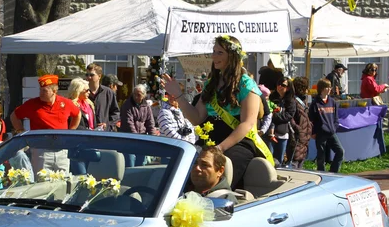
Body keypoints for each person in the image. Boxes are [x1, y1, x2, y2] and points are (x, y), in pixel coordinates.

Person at [163, 35, 273, 190]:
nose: (214, 56)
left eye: (219, 52)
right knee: (185, 167)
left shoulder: (246, 84)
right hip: (211, 138)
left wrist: (220, 148)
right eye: (213, 51)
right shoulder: (211, 84)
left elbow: (247, 123)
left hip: (237, 141)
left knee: (220, 172)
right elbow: (196, 118)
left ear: (233, 56)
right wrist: (179, 96)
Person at [309, 78, 344, 173]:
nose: (329, 89)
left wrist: (334, 127)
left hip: (331, 132)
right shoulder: (315, 103)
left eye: (330, 87)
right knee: (321, 156)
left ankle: (333, 172)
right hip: (320, 133)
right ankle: (322, 173)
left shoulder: (332, 102)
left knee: (340, 151)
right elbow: (311, 119)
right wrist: (313, 132)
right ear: (321, 89)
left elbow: (336, 118)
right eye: (327, 87)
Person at [120, 84, 158, 167]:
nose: (136, 97)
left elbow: (150, 123)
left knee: (141, 164)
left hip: (141, 139)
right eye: (134, 94)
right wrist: (137, 138)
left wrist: (153, 138)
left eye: (139, 95)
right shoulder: (127, 105)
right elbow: (128, 123)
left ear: (144, 95)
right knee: (130, 163)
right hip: (129, 139)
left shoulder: (146, 106)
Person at [267, 77, 297, 165]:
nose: (280, 86)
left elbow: (289, 115)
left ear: (288, 88)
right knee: (269, 158)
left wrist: (274, 115)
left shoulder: (291, 100)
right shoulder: (272, 97)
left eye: (283, 85)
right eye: (278, 84)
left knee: (279, 159)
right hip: (270, 132)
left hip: (283, 133)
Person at [286, 76, 313, 169]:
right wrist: (298, 129)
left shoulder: (303, 100)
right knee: (295, 160)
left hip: (304, 135)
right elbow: (290, 117)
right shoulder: (293, 100)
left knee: (301, 159)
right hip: (297, 135)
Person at [86, 64, 120, 131]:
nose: (89, 77)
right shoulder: (83, 92)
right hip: (86, 132)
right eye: (87, 75)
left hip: (104, 133)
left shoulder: (108, 93)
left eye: (92, 75)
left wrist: (108, 125)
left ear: (99, 76)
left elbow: (115, 113)